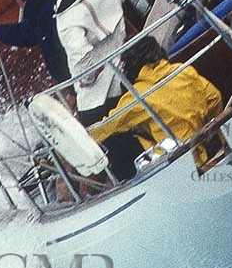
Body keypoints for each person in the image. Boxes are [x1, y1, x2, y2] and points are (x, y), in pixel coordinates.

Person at [88, 36, 225, 175]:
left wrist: (77, 140)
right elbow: (215, 98)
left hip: (176, 165)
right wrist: (213, 132)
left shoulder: (137, 95)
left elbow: (107, 127)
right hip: (202, 149)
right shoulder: (183, 70)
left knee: (119, 142)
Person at [38, 0, 126, 125]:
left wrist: (87, 80)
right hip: (129, 61)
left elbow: (84, 67)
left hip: (103, 94)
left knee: (85, 124)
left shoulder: (66, 20)